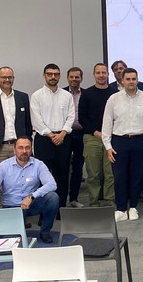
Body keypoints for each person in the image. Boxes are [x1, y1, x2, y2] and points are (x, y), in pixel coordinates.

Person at [102, 68, 143, 222]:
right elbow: (107, 122)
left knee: (137, 176)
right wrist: (108, 146)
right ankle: (121, 209)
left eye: (134, 79)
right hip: (119, 141)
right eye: (128, 79)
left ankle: (133, 207)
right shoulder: (113, 99)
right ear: (122, 81)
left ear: (137, 80)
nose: (131, 82)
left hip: (141, 141)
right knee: (119, 177)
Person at [0, 136, 60, 243]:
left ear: (31, 149)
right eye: (20, 148)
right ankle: (17, 227)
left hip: (31, 204)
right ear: (14, 150)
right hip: (12, 207)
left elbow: (52, 184)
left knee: (53, 197)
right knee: (13, 241)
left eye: (27, 147)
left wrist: (31, 196)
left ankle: (45, 232)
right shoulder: (4, 166)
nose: (24, 151)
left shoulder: (38, 164)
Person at [30, 63, 75, 208]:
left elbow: (71, 116)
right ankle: (43, 210)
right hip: (44, 140)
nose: (53, 77)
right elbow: (36, 120)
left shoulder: (67, 96)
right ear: (44, 75)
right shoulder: (37, 96)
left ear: (59, 76)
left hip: (63, 139)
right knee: (42, 177)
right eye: (49, 74)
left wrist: (62, 134)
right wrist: (51, 135)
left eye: (56, 74)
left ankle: (61, 209)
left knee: (62, 175)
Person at [77, 63, 116, 207]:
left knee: (110, 173)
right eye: (98, 73)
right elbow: (82, 117)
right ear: (94, 75)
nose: (101, 75)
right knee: (93, 174)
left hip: (111, 139)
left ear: (108, 74)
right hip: (92, 138)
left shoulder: (115, 93)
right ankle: (94, 202)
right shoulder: (87, 93)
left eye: (103, 72)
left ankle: (110, 201)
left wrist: (108, 134)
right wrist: (96, 132)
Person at [63, 67, 85, 208]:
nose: (74, 79)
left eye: (77, 77)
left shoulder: (86, 94)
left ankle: (74, 199)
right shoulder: (61, 93)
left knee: (78, 168)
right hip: (65, 134)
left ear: (81, 78)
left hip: (81, 134)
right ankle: (61, 199)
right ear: (67, 78)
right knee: (63, 167)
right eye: (71, 77)